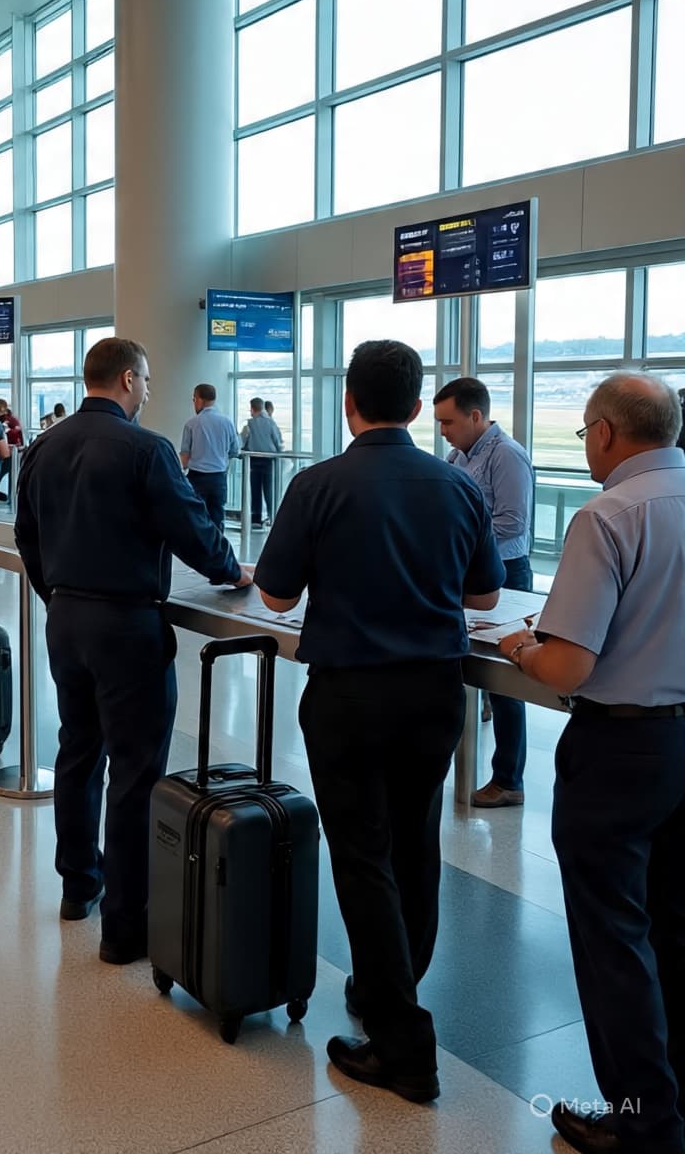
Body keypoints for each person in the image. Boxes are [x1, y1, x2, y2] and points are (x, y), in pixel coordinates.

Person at [255, 339, 503, 1105]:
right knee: (414, 847)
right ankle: (388, 986)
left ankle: (402, 1045)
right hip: (433, 697)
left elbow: (275, 598)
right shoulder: (455, 485)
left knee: (361, 856)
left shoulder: (319, 484)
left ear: (348, 402)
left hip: (349, 696)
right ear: (415, 401)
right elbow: (487, 596)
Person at [15, 338, 252, 965]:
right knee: (136, 770)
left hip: (65, 618)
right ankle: (125, 927)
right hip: (127, 626)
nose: (148, 390)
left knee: (78, 750)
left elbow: (26, 537)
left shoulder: (44, 445)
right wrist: (233, 571)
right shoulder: (146, 449)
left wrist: (58, 597)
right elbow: (192, 529)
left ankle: (77, 886)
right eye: (145, 380)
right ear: (127, 378)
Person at [495, 374, 685, 1154]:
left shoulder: (609, 514)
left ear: (606, 433)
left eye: (583, 433)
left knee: (613, 939)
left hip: (621, 749)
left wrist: (523, 646)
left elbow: (569, 666)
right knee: (671, 926)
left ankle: (643, 1124)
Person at [433, 376, 536, 808]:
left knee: (507, 684)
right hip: (466, 569)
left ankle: (508, 778)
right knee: (473, 668)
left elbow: (512, 522)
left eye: (449, 422)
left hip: (505, 572)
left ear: (476, 416)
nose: (443, 432)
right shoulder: (460, 455)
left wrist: (464, 541)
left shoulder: (507, 457)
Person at [179, 382, 240, 532]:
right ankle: (217, 551)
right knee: (217, 518)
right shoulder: (227, 423)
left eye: (194, 399)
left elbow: (185, 457)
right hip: (219, 478)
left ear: (199, 399)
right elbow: (234, 450)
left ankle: (197, 552)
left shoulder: (191, 424)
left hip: (197, 478)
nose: (194, 403)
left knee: (196, 518)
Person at [240, 396, 282, 527]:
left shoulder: (250, 425)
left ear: (252, 409)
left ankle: (256, 519)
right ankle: (273, 517)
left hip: (253, 461)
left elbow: (243, 442)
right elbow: (277, 441)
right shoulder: (271, 423)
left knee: (255, 491)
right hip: (269, 461)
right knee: (269, 491)